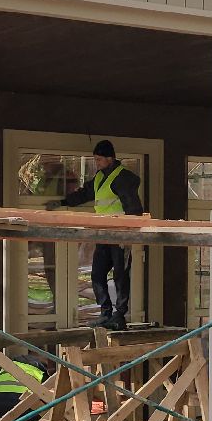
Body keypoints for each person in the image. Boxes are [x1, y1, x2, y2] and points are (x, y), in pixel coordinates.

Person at [48, 139, 143, 330]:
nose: (96, 163)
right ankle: (105, 312)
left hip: (120, 236)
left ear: (110, 158)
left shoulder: (122, 178)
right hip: (104, 235)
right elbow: (84, 194)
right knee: (97, 273)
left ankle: (119, 314)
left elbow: (134, 208)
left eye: (99, 160)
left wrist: (130, 234)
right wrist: (63, 201)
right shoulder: (100, 177)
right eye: (95, 159)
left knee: (120, 275)